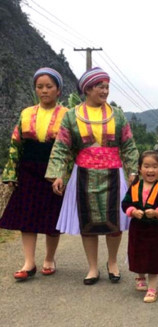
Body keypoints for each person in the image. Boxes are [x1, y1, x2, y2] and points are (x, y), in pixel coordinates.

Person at [45, 67, 139, 285]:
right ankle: (92, 268)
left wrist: (133, 171)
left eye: (107, 87)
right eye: (100, 87)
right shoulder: (71, 115)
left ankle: (112, 262)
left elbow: (128, 145)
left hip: (114, 173)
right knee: (88, 221)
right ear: (87, 89)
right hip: (83, 175)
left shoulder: (117, 115)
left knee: (113, 221)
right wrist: (58, 175)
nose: (105, 91)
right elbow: (62, 148)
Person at [0, 67, 68, 280]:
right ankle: (29, 262)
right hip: (29, 168)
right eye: (40, 87)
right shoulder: (26, 113)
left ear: (58, 90)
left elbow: (70, 148)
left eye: (49, 86)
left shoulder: (67, 116)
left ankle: (49, 258)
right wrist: (11, 173)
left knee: (52, 216)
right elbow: (15, 144)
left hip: (53, 170)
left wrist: (62, 174)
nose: (44, 91)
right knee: (26, 216)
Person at [122, 150, 158, 303]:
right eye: (146, 166)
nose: (150, 170)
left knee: (154, 256)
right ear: (139, 168)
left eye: (155, 166)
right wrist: (132, 211)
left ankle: (152, 288)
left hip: (156, 229)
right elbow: (125, 204)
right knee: (137, 252)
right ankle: (140, 276)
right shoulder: (134, 186)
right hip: (137, 228)